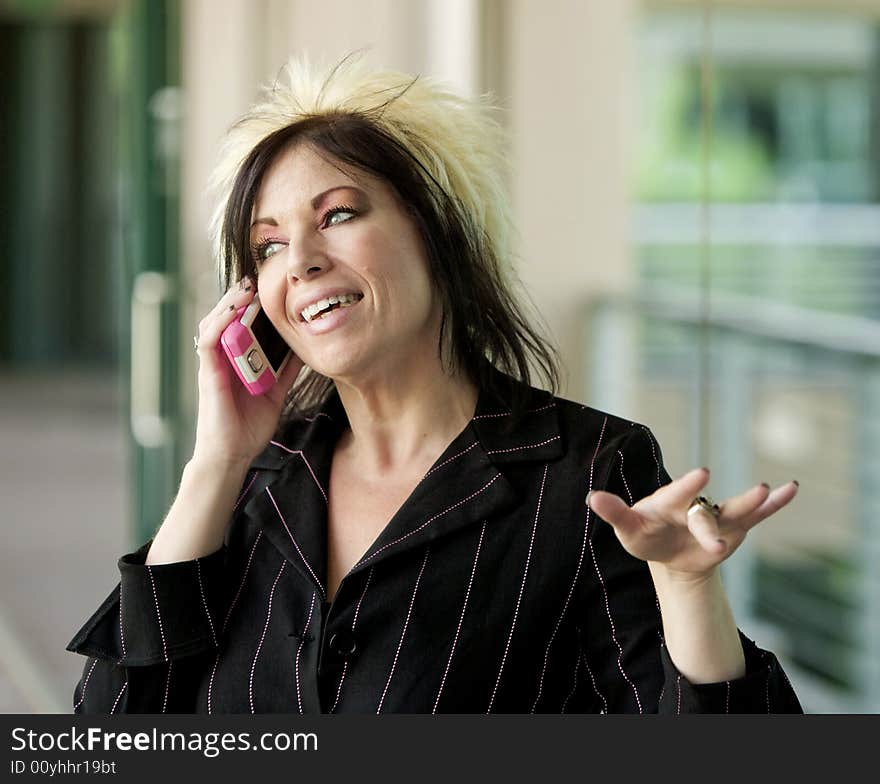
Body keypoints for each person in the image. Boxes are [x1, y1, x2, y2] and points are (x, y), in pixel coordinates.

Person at [67, 54, 802, 714]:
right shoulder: (257, 480)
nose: (301, 262)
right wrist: (215, 465)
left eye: (339, 214)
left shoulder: (588, 470)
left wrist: (686, 589)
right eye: (268, 245)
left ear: (438, 229)